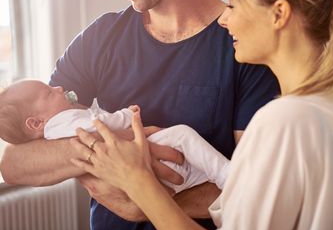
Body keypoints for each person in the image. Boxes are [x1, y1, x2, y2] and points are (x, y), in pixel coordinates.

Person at [70, 0, 333, 230]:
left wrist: (140, 185)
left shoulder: (284, 121)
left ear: (278, 14)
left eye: (234, 4)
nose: (224, 19)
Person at [0, 0, 279, 230]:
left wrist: (147, 200)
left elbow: (259, 192)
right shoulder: (100, 39)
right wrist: (109, 151)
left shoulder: (244, 47)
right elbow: (13, 162)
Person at [0, 79, 229, 192]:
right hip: (142, 166)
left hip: (146, 182)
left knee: (194, 164)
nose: (59, 88)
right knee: (182, 136)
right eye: (49, 93)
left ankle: (221, 179)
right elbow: (103, 126)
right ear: (36, 122)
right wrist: (128, 115)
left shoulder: (56, 128)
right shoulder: (63, 121)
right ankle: (229, 177)